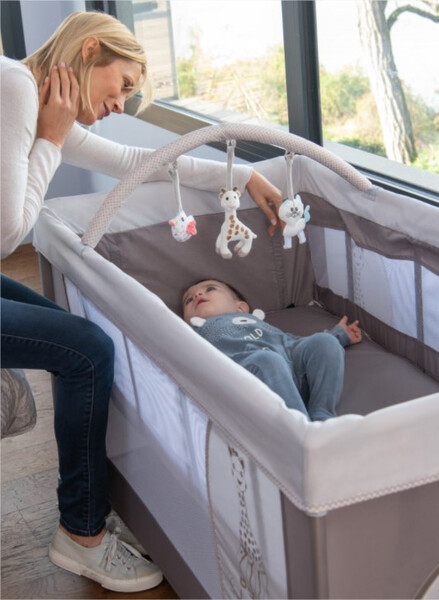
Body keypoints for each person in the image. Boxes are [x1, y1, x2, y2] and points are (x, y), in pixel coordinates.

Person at [0, 11, 283, 593]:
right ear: (90, 51)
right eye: (123, 85)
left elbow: (138, 165)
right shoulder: (18, 90)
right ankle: (80, 534)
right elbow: (7, 234)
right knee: (87, 350)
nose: (120, 104)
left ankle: (86, 509)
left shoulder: (33, 96)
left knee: (65, 334)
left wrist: (241, 179)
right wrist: (51, 139)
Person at [182, 279, 362, 420]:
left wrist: (337, 336)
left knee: (325, 342)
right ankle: (298, 428)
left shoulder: (254, 320)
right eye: (188, 300)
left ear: (241, 307)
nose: (197, 294)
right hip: (253, 374)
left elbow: (291, 342)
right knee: (267, 360)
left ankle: (322, 415)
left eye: (210, 289)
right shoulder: (198, 332)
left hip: (290, 359)